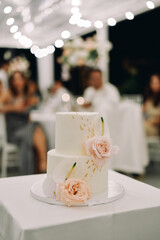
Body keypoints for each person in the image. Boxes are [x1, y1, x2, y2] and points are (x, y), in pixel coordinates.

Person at [0, 71, 47, 174]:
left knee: (36, 127)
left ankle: (41, 163)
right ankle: (43, 163)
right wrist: (13, 108)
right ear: (11, 82)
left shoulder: (28, 92)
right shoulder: (9, 93)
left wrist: (33, 102)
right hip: (14, 130)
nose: (18, 82)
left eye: (20, 79)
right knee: (36, 129)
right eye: (15, 79)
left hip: (26, 126)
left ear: (24, 80)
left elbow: (38, 99)